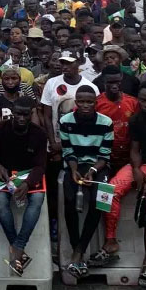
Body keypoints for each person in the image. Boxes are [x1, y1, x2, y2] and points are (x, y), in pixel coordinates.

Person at [89, 81, 146, 287]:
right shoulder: (136, 119)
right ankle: (110, 242)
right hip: (142, 165)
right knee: (107, 191)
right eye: (143, 100)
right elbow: (135, 149)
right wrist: (137, 170)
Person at [0, 96, 47, 276]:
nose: (21, 118)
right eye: (18, 114)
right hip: (4, 174)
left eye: (25, 114)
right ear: (12, 113)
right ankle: (18, 248)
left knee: (37, 199)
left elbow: (41, 165)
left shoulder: (39, 134)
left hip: (28, 174)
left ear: (31, 114)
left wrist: (28, 184)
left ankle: (17, 247)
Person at [60, 85, 113, 279]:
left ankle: (79, 250)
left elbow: (105, 155)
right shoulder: (65, 121)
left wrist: (92, 171)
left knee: (99, 202)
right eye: (81, 101)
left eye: (89, 102)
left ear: (96, 103)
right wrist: (74, 170)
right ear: (76, 103)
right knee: (69, 200)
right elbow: (68, 152)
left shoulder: (106, 122)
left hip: (98, 166)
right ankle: (77, 247)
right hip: (75, 165)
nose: (85, 105)